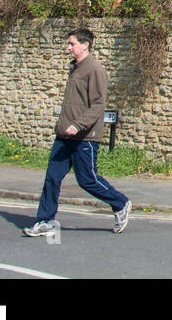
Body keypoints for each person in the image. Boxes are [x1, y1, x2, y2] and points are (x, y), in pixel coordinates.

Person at [23, 29, 132, 237]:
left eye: (72, 44)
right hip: (64, 136)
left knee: (87, 180)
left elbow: (98, 105)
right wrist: (65, 127)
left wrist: (78, 125)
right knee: (52, 178)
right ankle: (45, 220)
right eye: (69, 44)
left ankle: (120, 203)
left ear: (85, 45)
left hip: (84, 137)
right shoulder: (75, 68)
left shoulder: (94, 70)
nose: (68, 47)